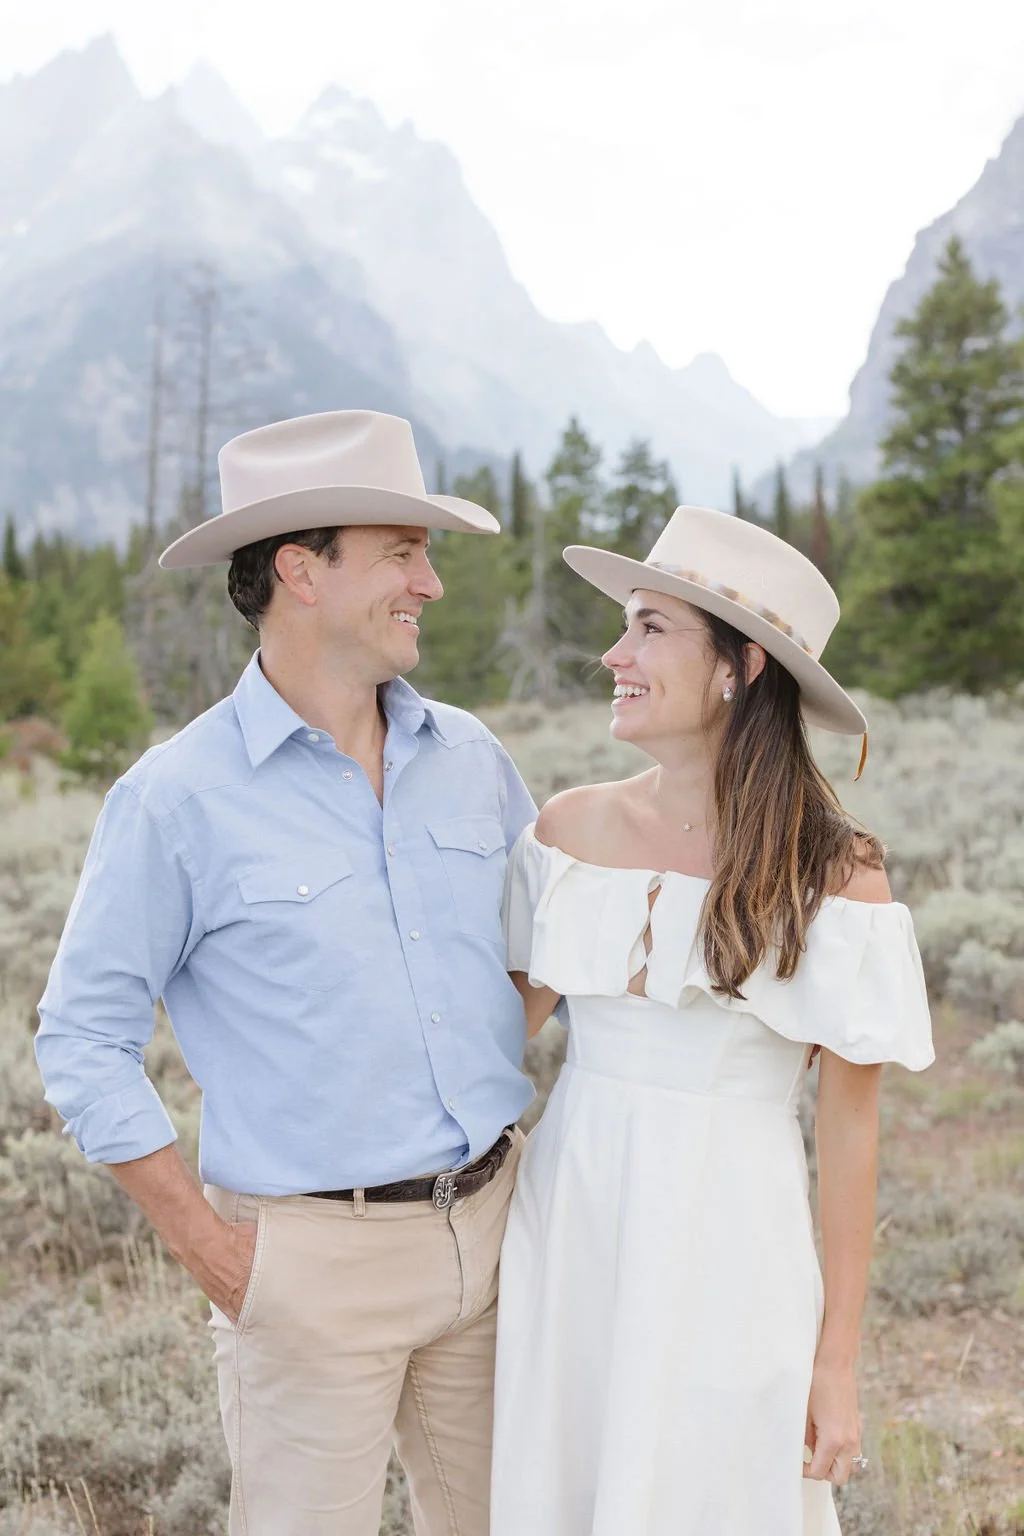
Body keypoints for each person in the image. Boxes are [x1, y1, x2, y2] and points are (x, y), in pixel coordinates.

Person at [36, 409, 539, 1536]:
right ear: (302, 572)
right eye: (402, 553)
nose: (430, 583)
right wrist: (215, 1254)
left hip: (497, 1241)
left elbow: (539, 955)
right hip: (308, 1272)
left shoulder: (470, 757)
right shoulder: (176, 798)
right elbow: (81, 1039)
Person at [490, 504, 934, 1536]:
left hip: (733, 1232)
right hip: (574, 1224)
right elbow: (486, 1042)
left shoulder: (839, 875)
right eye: (625, 626)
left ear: (741, 666)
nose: (615, 654)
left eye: (650, 627)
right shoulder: (569, 832)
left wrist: (836, 1362)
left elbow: (850, 1131)